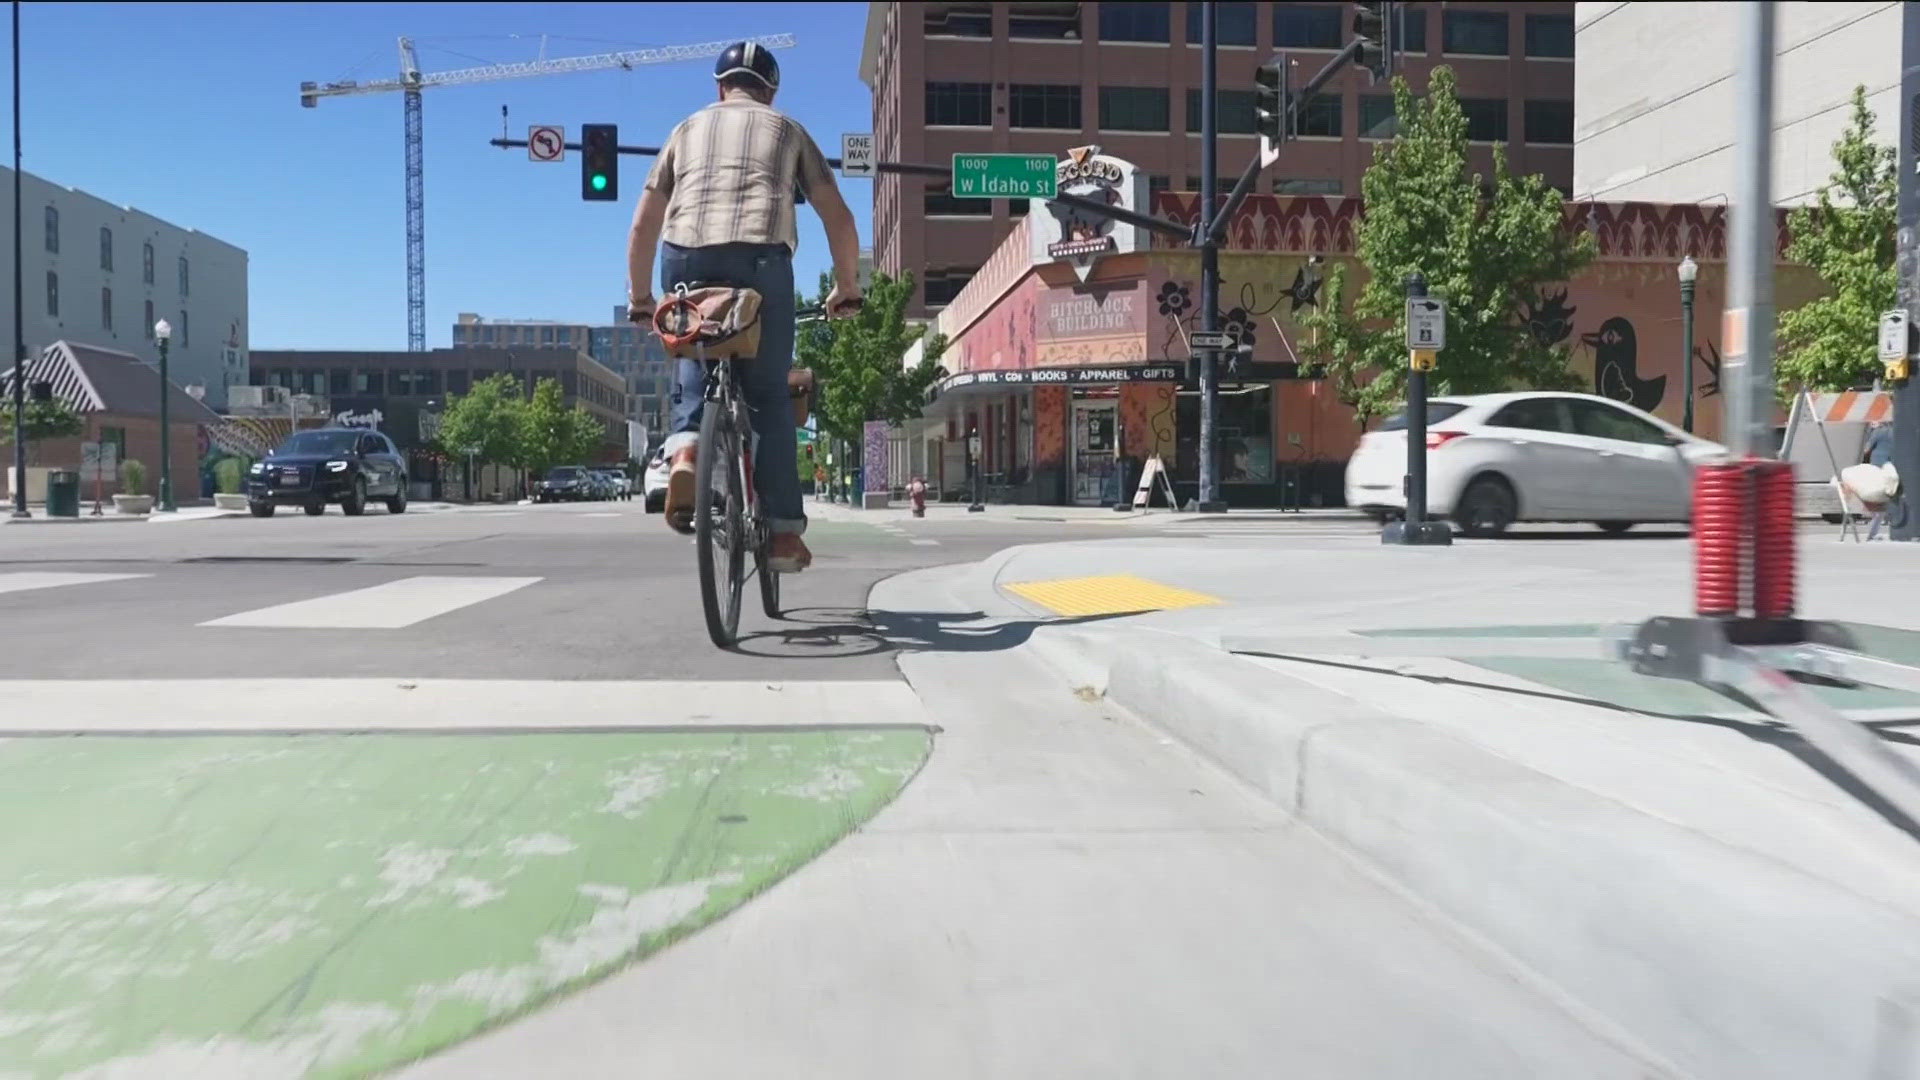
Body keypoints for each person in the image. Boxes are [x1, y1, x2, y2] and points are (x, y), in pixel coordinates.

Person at [626, 41, 863, 573]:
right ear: (771, 92)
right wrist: (846, 286)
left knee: (692, 356)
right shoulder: (788, 130)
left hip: (683, 259)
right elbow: (838, 218)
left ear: (719, 87)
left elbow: (644, 222)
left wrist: (642, 300)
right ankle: (781, 535)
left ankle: (686, 447)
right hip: (761, 260)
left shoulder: (686, 129)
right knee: (767, 397)